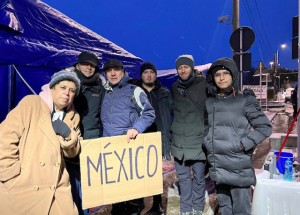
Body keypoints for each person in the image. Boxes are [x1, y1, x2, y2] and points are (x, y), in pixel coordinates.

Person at [0, 70, 81, 215]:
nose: (67, 93)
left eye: (72, 90)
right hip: (24, 185)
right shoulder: (31, 104)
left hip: (57, 188)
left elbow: (73, 153)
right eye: (63, 87)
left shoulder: (73, 116)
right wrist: (10, 174)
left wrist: (68, 135)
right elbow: (5, 138)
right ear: (52, 88)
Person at [203, 57, 272, 215]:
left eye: (226, 73)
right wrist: (207, 141)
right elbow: (206, 126)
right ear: (212, 78)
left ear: (233, 75)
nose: (221, 78)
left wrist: (243, 144)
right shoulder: (209, 102)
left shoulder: (244, 100)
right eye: (217, 74)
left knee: (241, 211)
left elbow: (265, 127)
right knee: (225, 209)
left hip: (238, 166)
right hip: (218, 166)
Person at [101, 59, 155, 215]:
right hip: (110, 151)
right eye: (109, 70)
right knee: (116, 196)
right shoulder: (105, 92)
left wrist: (136, 128)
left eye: (116, 69)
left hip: (129, 149)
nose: (112, 73)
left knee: (132, 196)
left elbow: (149, 113)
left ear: (123, 71)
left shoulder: (134, 90)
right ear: (105, 74)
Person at [64, 51, 106, 215]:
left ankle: (84, 211)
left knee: (86, 182)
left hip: (91, 140)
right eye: (85, 64)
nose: (88, 68)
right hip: (69, 141)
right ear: (78, 65)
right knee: (70, 181)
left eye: (92, 65)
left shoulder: (100, 87)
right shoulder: (67, 84)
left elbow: (104, 112)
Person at [134, 62, 173, 214]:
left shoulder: (164, 92)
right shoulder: (135, 92)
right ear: (141, 75)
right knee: (139, 172)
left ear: (155, 75)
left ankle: (157, 204)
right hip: (141, 137)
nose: (149, 75)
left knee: (156, 173)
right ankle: (138, 203)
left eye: (152, 72)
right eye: (146, 72)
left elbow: (174, 110)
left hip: (159, 137)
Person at [171, 54, 207, 215]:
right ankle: (186, 208)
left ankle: (197, 208)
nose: (182, 70)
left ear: (192, 68)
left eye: (185, 66)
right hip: (179, 142)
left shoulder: (205, 85)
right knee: (184, 179)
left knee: (199, 177)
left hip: (198, 141)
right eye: (179, 67)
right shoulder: (174, 88)